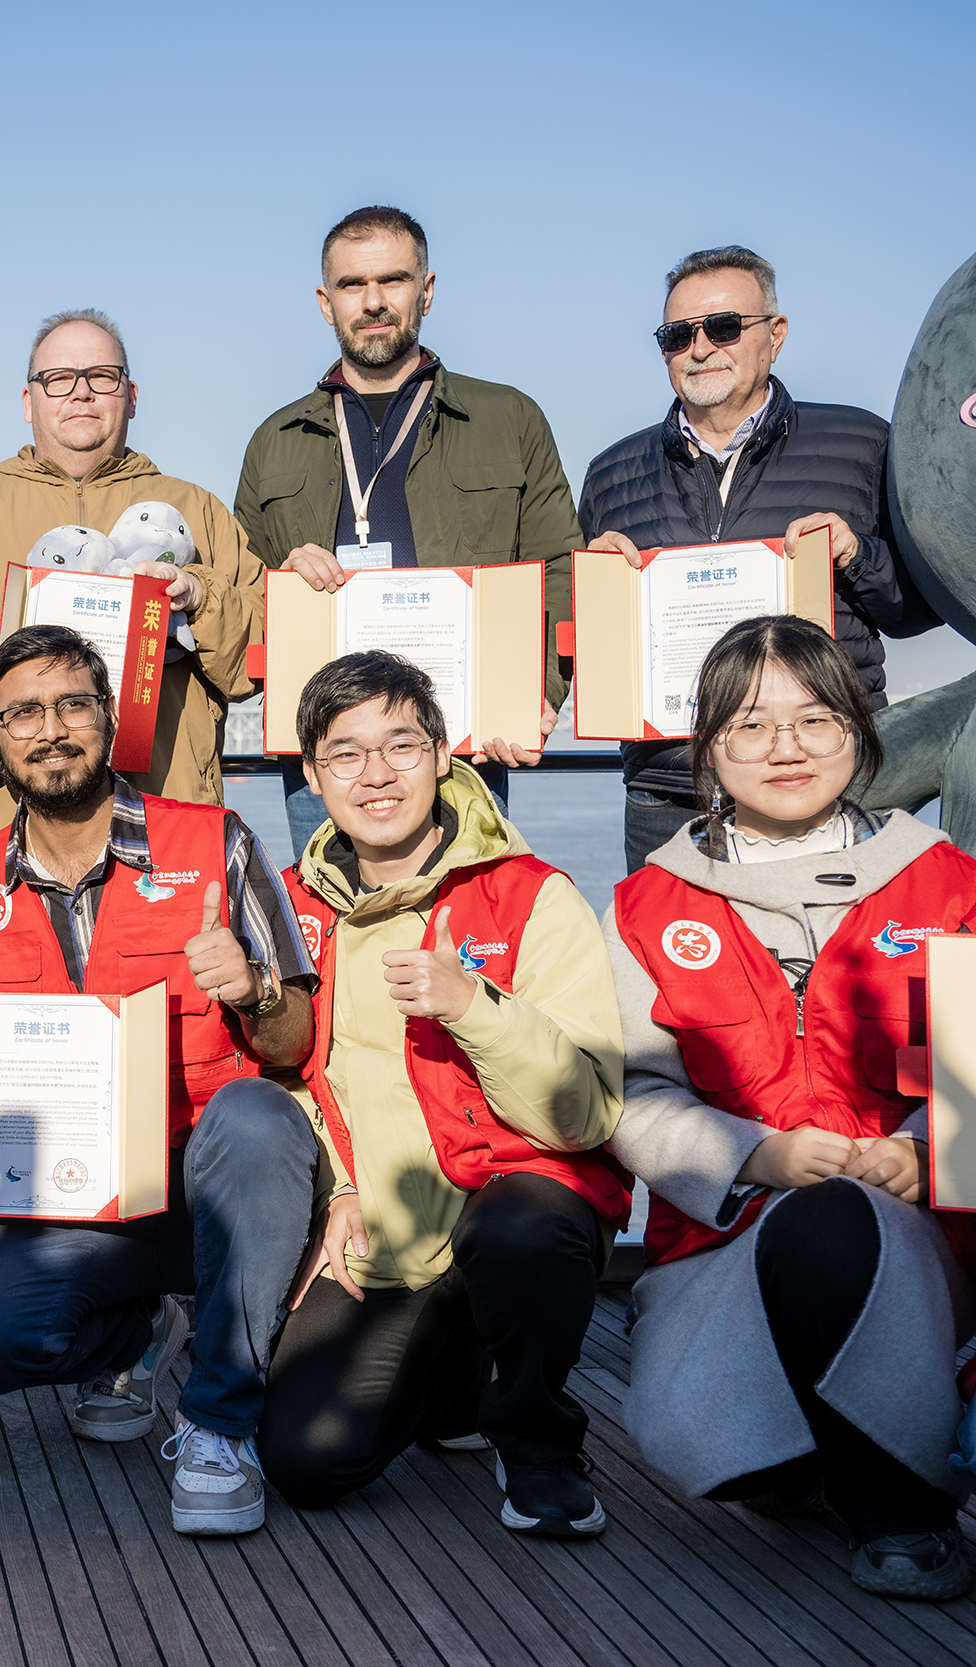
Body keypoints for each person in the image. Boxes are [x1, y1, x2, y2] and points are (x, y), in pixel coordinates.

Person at [168, 651, 627, 1540]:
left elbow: (587, 1114)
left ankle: (535, 1438)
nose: (375, 775)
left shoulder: (533, 896)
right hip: (384, 1235)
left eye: (401, 745)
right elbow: (280, 1082)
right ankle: (456, 1373)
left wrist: (472, 1005)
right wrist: (336, 1186)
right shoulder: (288, 904)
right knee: (306, 1459)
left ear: (446, 755)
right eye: (345, 754)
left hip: (510, 1204)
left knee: (524, 1230)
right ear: (310, 774)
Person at [605, 615, 975, 1600]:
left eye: (815, 719)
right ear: (706, 746)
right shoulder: (645, 904)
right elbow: (631, 1090)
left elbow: (974, 1067)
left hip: (927, 1238)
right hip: (724, 1245)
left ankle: (907, 1515)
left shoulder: (946, 884)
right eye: (749, 725)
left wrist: (922, 1147)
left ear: (859, 727)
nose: (784, 748)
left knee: (839, 1227)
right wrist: (756, 1155)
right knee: (733, 1456)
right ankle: (822, 1449)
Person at [0, 625, 315, 1461]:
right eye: (22, 711)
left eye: (73, 703)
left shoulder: (219, 842)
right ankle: (138, 1330)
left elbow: (291, 1046)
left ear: (111, 718)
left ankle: (217, 1421)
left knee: (255, 1113)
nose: (51, 728)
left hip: (210, 1186)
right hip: (70, 1202)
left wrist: (254, 989)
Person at [233, 206, 580, 856]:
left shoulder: (509, 419)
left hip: (462, 746)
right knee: (334, 935)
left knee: (461, 940)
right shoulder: (272, 442)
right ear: (324, 300)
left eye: (392, 281)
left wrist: (542, 689)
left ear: (426, 290)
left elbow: (561, 563)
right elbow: (239, 591)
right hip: (322, 755)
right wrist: (277, 588)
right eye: (351, 285)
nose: (372, 302)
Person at [578, 245, 938, 872]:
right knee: (672, 967)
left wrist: (855, 553)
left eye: (722, 327)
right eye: (676, 334)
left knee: (827, 967)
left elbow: (915, 606)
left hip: (822, 783)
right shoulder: (609, 473)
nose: (699, 348)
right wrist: (594, 593)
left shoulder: (862, 443)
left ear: (775, 336)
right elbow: (585, 649)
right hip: (669, 794)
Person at [0, 309, 262, 853]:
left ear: (132, 395)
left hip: (166, 814)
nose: (81, 394)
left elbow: (260, 649)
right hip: (4, 822)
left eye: (102, 377)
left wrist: (199, 595)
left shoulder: (198, 509)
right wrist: (2, 728)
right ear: (28, 401)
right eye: (59, 379)